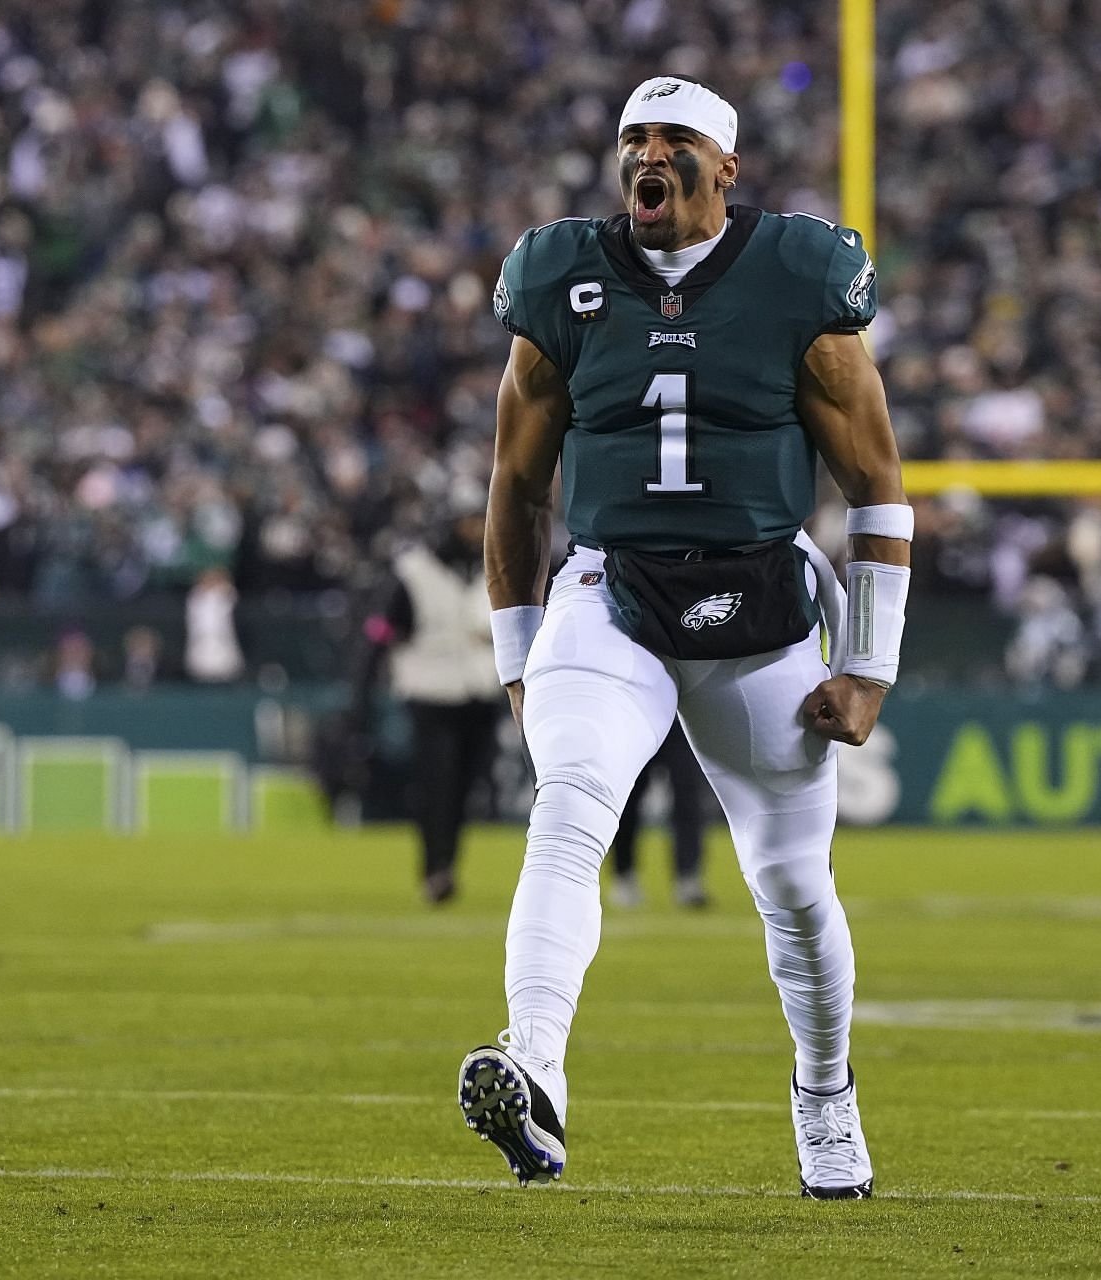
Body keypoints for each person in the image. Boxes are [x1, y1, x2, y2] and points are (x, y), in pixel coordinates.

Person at [458, 76, 910, 1199]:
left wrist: (870, 666)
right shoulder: (561, 276)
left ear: (727, 167)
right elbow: (514, 491)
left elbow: (878, 485)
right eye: (632, 139)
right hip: (612, 594)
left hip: (760, 610)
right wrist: (519, 658)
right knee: (567, 807)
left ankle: (824, 1092)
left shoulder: (799, 274)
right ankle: (536, 1061)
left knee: (795, 885)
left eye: (674, 139)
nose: (647, 155)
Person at [353, 507, 506, 904]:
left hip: (479, 690)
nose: (474, 533)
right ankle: (435, 867)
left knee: (465, 787)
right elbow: (380, 634)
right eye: (467, 524)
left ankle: (446, 865)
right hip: (429, 692)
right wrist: (361, 695)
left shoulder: (492, 563)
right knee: (438, 782)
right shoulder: (412, 573)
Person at [607, 727, 710, 909]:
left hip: (679, 721)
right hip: (640, 721)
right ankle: (623, 873)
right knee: (628, 799)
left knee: (688, 796)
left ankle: (688, 876)